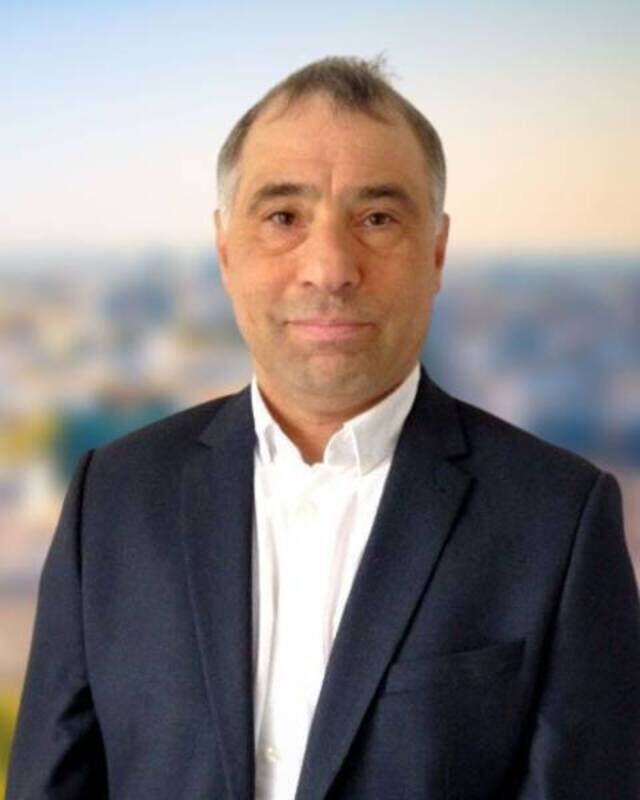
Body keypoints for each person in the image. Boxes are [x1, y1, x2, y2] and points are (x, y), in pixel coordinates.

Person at [7, 55, 640, 800]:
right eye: (284, 218)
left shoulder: (558, 522)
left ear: (436, 252)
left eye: (377, 219)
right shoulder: (112, 499)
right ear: (225, 250)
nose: (331, 267)